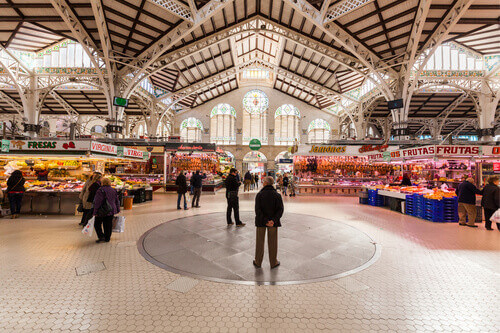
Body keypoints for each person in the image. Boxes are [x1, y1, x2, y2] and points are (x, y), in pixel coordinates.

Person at [253, 176, 284, 269]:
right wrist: (272, 220)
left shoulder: (259, 195)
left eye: (263, 182)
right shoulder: (277, 195)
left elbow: (257, 210)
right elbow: (280, 210)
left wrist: (265, 220)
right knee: (273, 242)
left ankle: (258, 262)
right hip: (273, 224)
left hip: (261, 222)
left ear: (265, 183)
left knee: (260, 242)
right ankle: (273, 262)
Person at [93, 177, 120, 243]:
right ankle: (107, 238)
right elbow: (117, 200)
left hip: (102, 210)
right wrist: (118, 209)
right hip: (111, 209)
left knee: (97, 224)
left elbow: (97, 202)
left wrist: (95, 211)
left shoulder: (100, 190)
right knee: (108, 224)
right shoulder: (113, 190)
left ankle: (101, 236)